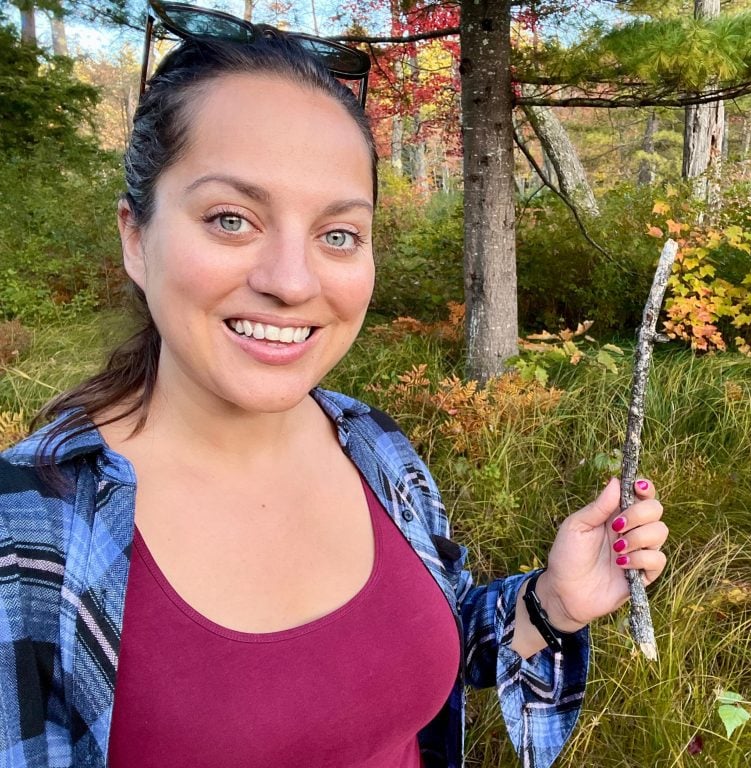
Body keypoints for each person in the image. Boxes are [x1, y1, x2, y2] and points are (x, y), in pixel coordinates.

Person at [0, 11, 668, 768]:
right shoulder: (31, 531)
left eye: (339, 234)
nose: (291, 281)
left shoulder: (373, 447)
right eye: (230, 219)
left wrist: (550, 604)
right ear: (135, 236)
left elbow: (427, 649)